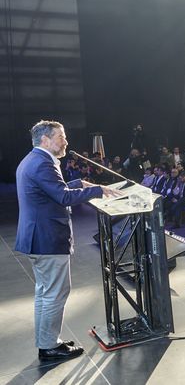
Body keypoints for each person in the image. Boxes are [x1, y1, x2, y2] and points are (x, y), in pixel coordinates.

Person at [16, 120, 121, 361]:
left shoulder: (32, 160)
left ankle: (47, 342)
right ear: (45, 140)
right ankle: (49, 346)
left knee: (46, 293)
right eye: (61, 137)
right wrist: (97, 190)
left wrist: (79, 184)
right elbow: (62, 197)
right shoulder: (43, 164)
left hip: (38, 238)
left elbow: (51, 191)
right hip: (47, 239)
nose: (66, 141)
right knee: (54, 293)